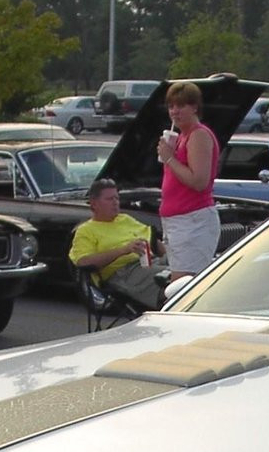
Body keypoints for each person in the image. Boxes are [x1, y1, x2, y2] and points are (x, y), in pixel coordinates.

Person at [157, 80, 221, 280]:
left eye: (181, 105)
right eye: (171, 106)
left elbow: (199, 181)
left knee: (183, 285)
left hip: (193, 222)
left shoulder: (199, 135)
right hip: (176, 222)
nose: (175, 111)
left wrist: (169, 157)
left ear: (194, 107)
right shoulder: (182, 136)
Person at [69, 177, 164, 310]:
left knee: (186, 268)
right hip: (123, 272)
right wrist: (123, 250)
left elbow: (153, 239)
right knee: (172, 278)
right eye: (109, 199)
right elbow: (83, 262)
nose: (115, 203)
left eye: (117, 198)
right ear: (94, 203)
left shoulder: (125, 219)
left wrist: (172, 255)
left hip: (150, 261)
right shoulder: (86, 230)